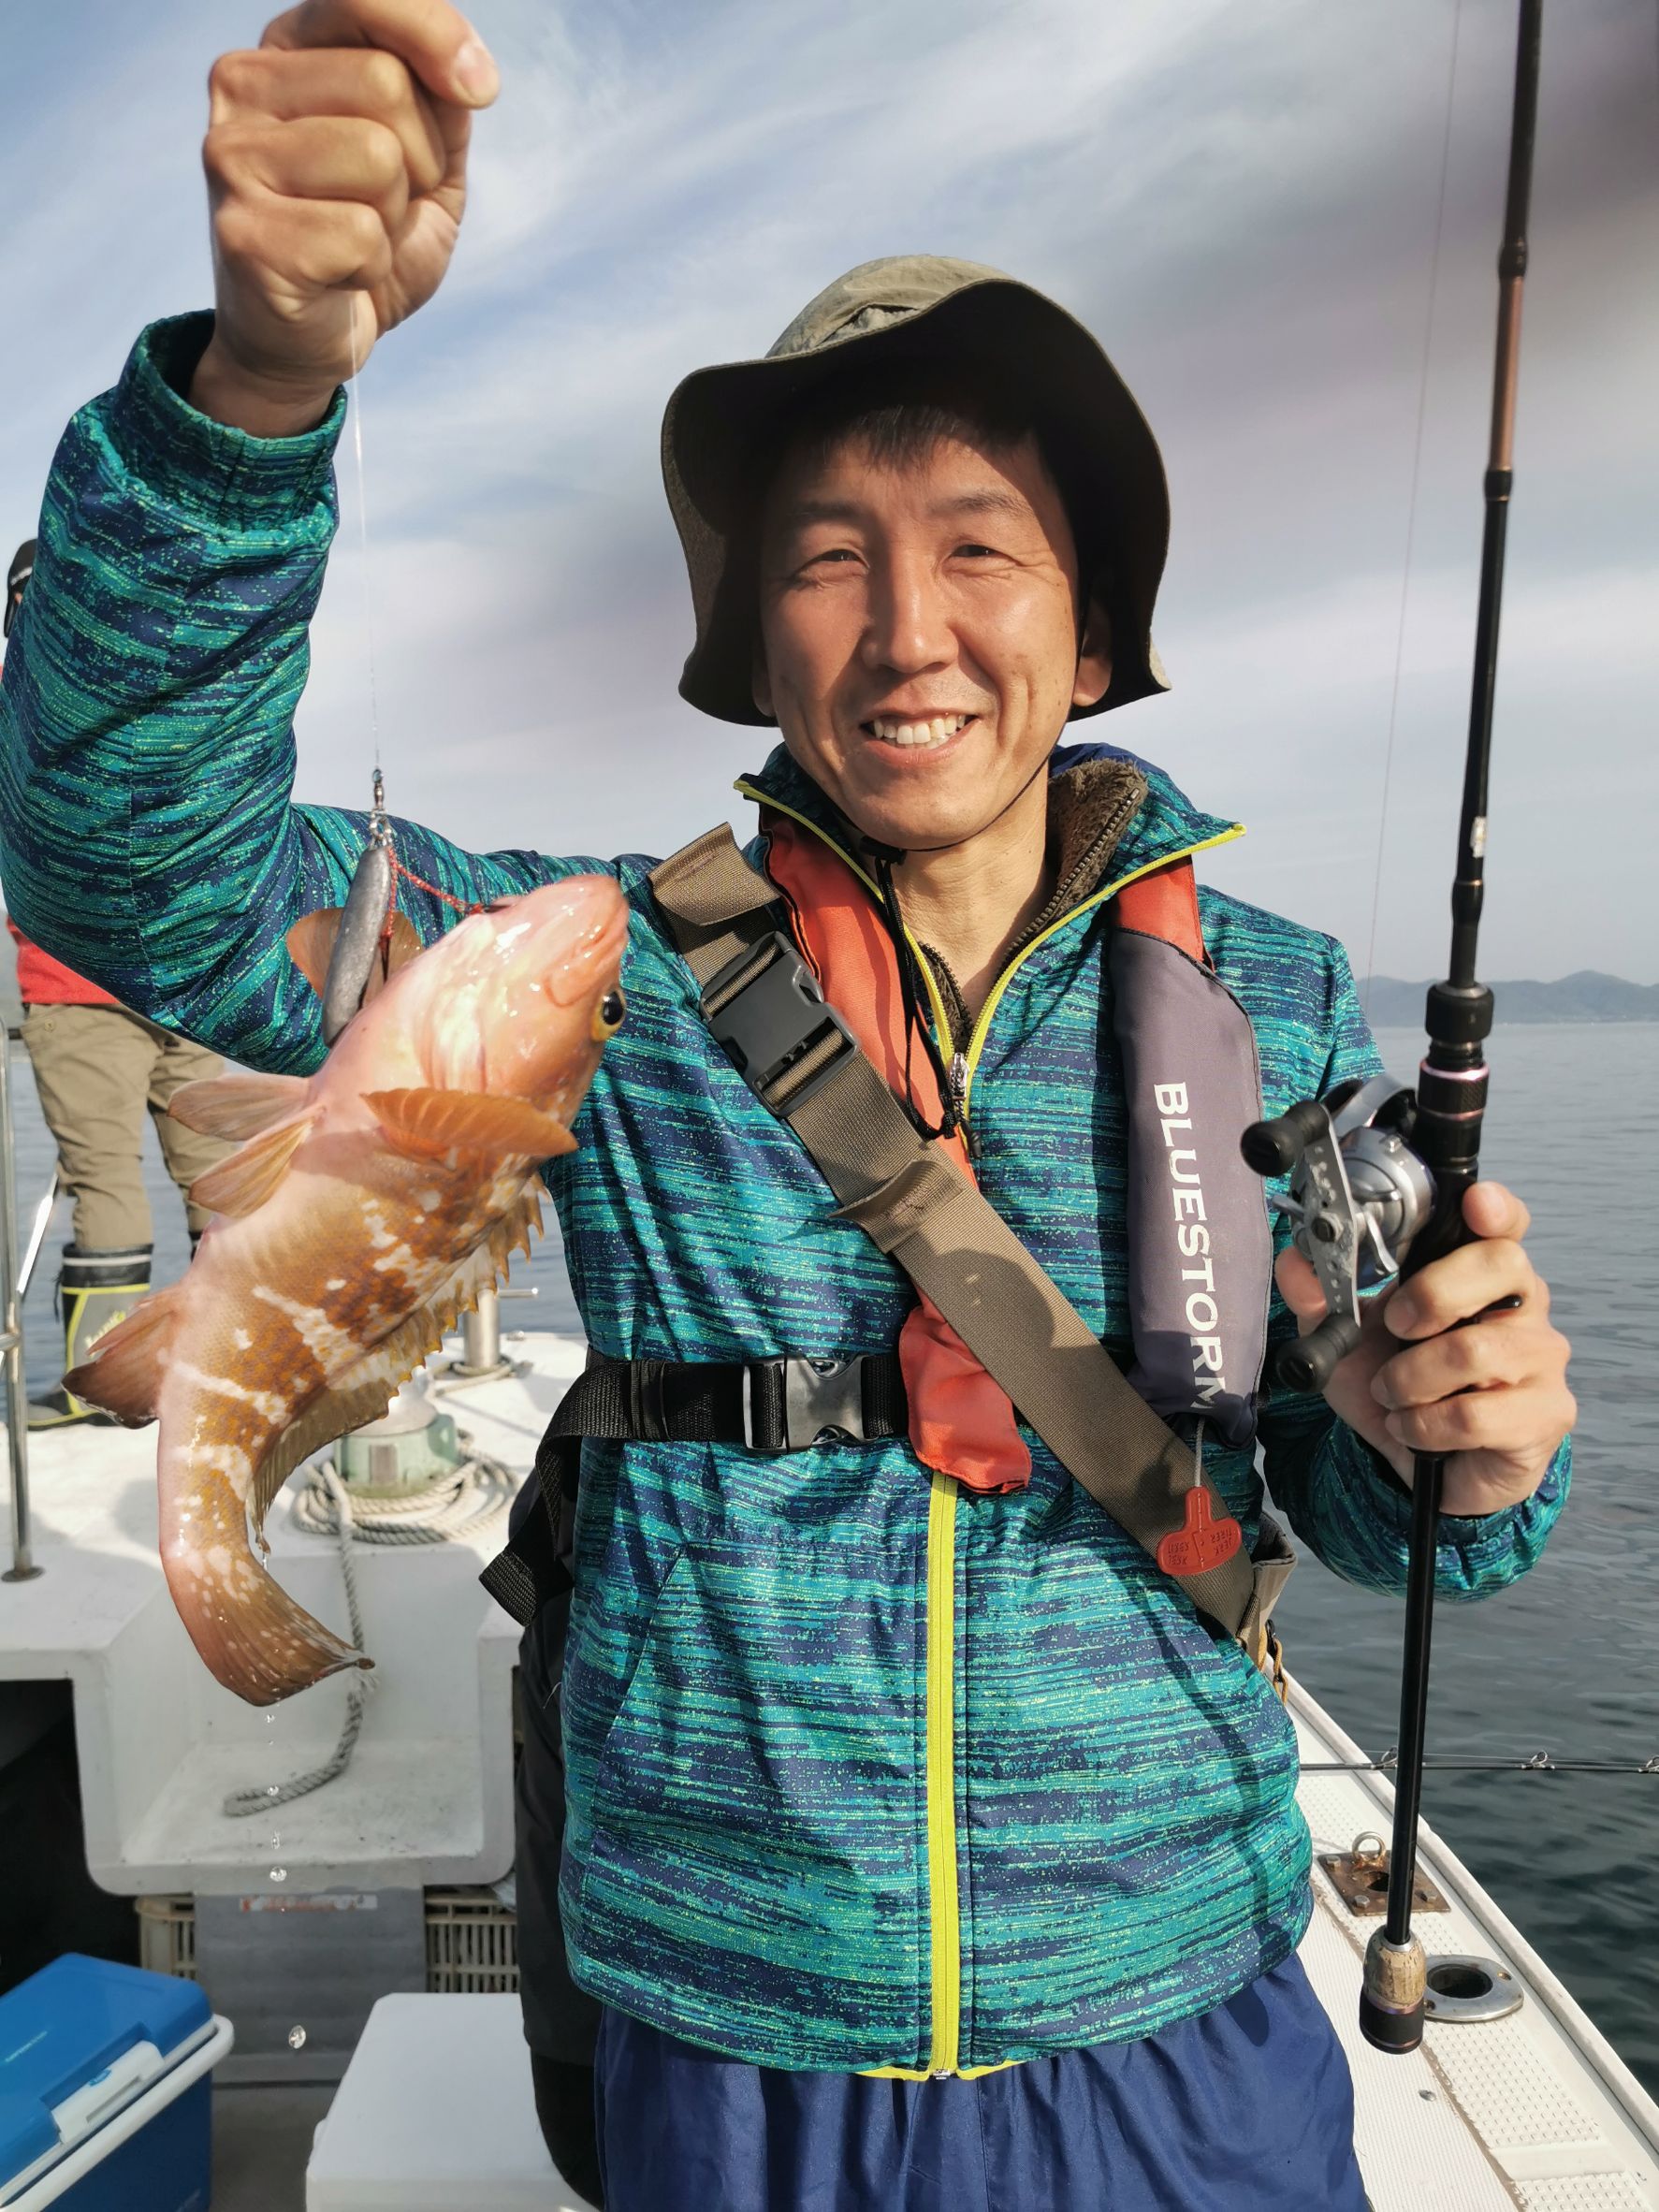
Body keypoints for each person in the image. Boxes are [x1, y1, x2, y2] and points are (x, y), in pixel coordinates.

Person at [0, 9, 1577, 2208]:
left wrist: (1456, 1446)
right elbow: (130, 865)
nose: (907, 627)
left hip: (1173, 2026)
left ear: (1092, 632)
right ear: (751, 643)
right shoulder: (591, 971)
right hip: (737, 2048)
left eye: (981, 550)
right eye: (828, 557)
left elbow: (1355, 1479)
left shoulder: (1272, 995)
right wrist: (249, 404)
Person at [2, 540, 232, 1426]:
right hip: (179, 975)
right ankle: (224, 1370)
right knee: (215, 1181)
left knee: (116, 1185)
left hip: (92, 987)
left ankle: (104, 1394)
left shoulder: (18, 701)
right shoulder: (151, 682)